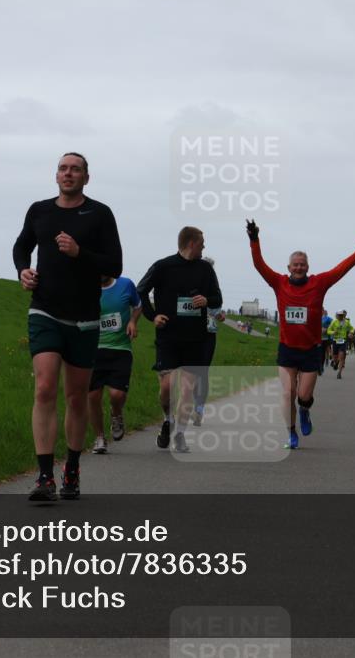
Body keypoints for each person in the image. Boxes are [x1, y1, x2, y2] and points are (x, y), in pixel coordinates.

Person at [13, 152, 122, 502]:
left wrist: (79, 253)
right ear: (56, 175)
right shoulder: (39, 211)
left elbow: (114, 264)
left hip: (85, 317)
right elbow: (21, 246)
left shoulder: (100, 214)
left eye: (75, 169)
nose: (68, 173)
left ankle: (71, 468)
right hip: (44, 310)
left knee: (76, 398)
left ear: (86, 178)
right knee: (45, 387)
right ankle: (44, 476)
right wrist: (23, 271)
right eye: (63, 168)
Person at [247, 219, 355, 449]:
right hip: (287, 348)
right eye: (294, 264)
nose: (298, 267)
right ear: (288, 268)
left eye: (302, 264)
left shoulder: (319, 283)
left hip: (311, 350)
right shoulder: (278, 283)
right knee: (288, 394)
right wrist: (254, 239)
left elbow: (342, 268)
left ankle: (305, 411)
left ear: (307, 266)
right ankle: (291, 433)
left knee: (303, 396)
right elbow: (259, 265)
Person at [138, 227, 223, 453]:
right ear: (192, 243)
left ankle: (181, 435)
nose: (204, 246)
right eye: (202, 242)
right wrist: (152, 315)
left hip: (196, 339)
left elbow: (217, 298)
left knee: (186, 390)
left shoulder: (205, 269)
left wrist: (206, 300)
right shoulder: (163, 266)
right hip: (168, 338)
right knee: (166, 387)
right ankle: (168, 420)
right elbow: (141, 291)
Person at [90, 275, 142, 454]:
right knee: (93, 396)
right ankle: (99, 438)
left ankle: (116, 413)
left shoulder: (126, 284)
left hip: (120, 348)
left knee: (117, 395)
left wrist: (133, 321)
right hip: (93, 349)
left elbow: (138, 305)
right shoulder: (86, 286)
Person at [193, 257, 226, 427]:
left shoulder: (213, 287)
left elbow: (218, 309)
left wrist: (220, 315)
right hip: (190, 334)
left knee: (202, 371)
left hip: (208, 334)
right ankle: (190, 403)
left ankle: (198, 408)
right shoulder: (190, 283)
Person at [327, 310, 353, 379]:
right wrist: (333, 332)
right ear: (337, 315)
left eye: (342, 315)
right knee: (335, 357)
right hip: (335, 341)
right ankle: (336, 362)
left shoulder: (347, 322)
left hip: (343, 341)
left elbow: (352, 329)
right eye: (339, 315)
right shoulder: (334, 322)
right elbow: (328, 331)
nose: (340, 316)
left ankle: (339, 373)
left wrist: (351, 333)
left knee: (341, 356)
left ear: (343, 316)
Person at [320, 309, 333, 376]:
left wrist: (327, 329)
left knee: (327, 350)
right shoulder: (317, 317)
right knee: (321, 352)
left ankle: (326, 360)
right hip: (318, 338)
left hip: (326, 337)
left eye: (325, 311)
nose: (324, 312)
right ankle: (320, 366)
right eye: (323, 311)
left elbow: (333, 324)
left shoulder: (328, 318)